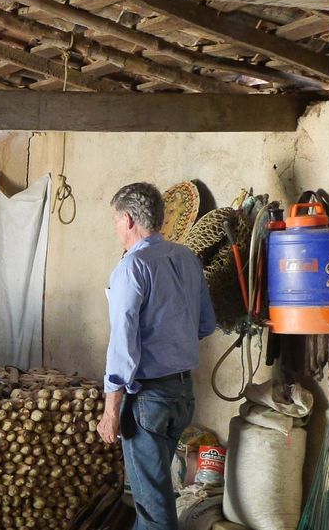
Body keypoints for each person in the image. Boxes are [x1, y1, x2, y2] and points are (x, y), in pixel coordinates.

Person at [97, 182, 216, 530]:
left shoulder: (131, 268)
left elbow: (122, 347)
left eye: (117, 220)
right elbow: (206, 324)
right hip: (182, 394)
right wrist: (171, 341)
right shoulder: (186, 258)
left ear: (130, 219)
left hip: (148, 400)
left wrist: (110, 411)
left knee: (154, 510)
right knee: (154, 494)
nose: (116, 228)